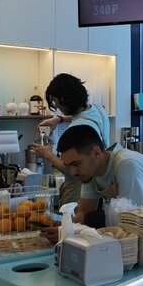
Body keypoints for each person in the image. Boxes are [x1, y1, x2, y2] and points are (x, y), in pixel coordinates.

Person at [58, 124, 143, 227]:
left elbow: (132, 219)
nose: (73, 172)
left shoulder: (127, 165)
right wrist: (63, 228)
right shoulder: (89, 172)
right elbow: (84, 213)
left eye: (76, 164)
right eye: (68, 166)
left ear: (96, 153)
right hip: (141, 230)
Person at [29, 74, 110, 206]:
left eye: (54, 100)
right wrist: (58, 119)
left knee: (74, 219)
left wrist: (47, 154)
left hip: (79, 190)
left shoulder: (78, 128)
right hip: (99, 185)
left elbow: (71, 171)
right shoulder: (98, 109)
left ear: (63, 99)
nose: (56, 106)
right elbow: (81, 116)